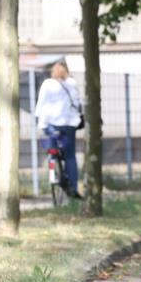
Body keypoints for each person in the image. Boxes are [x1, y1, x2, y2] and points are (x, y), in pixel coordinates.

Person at [34, 61, 84, 199]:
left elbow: (40, 106)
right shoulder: (72, 83)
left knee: (52, 145)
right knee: (70, 156)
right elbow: (78, 104)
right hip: (69, 125)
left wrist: (39, 122)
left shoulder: (47, 84)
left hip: (51, 125)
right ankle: (72, 188)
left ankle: (53, 160)